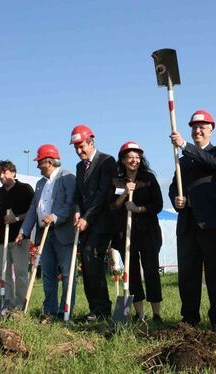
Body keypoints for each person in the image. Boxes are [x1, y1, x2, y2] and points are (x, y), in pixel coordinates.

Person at [168, 109, 216, 330]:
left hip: (213, 223)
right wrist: (177, 200)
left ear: (211, 129)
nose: (197, 130)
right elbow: (173, 187)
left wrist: (185, 145)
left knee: (215, 272)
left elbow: (213, 164)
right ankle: (189, 318)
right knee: (188, 274)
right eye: (194, 126)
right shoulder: (182, 160)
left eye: (202, 126)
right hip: (188, 224)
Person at [16, 144, 76, 321]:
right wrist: (24, 231)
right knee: (48, 273)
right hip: (45, 234)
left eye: (39, 162)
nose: (37, 166)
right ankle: (49, 310)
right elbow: (34, 208)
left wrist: (56, 216)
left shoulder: (67, 177)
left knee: (66, 274)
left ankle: (65, 311)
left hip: (63, 232)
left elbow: (71, 204)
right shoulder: (40, 184)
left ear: (48, 161)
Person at [111, 141, 164, 322]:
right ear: (123, 160)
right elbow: (113, 206)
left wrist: (138, 209)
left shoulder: (148, 179)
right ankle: (139, 314)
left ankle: (156, 313)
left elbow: (158, 204)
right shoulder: (117, 181)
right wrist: (125, 193)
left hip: (148, 232)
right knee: (132, 273)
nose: (134, 160)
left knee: (151, 271)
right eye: (130, 157)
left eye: (137, 157)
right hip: (127, 233)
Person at [71, 124, 116, 321]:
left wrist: (87, 217)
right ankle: (94, 309)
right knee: (87, 265)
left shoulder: (107, 161)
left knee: (92, 260)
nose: (79, 151)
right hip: (84, 223)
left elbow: (103, 194)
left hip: (101, 222)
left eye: (82, 147)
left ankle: (103, 309)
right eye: (76, 148)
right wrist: (77, 211)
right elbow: (78, 195)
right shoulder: (80, 167)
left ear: (91, 142)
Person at [0, 160, 34, 310]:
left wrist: (16, 218)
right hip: (0, 239)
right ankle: (7, 303)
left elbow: (32, 213)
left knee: (20, 273)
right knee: (1, 273)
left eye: (5, 172)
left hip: (19, 237)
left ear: (13, 173)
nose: (2, 176)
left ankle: (20, 305)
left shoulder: (25, 189)